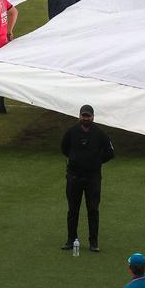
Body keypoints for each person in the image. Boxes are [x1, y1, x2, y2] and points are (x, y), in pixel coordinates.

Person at [60, 105, 114, 253]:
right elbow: (64, 148)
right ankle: (71, 239)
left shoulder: (100, 134)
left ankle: (93, 242)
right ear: (79, 116)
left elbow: (110, 152)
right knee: (73, 210)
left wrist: (97, 162)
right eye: (83, 116)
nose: (85, 118)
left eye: (88, 116)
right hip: (74, 177)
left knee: (93, 210)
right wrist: (74, 160)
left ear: (93, 117)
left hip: (92, 178)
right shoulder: (71, 132)